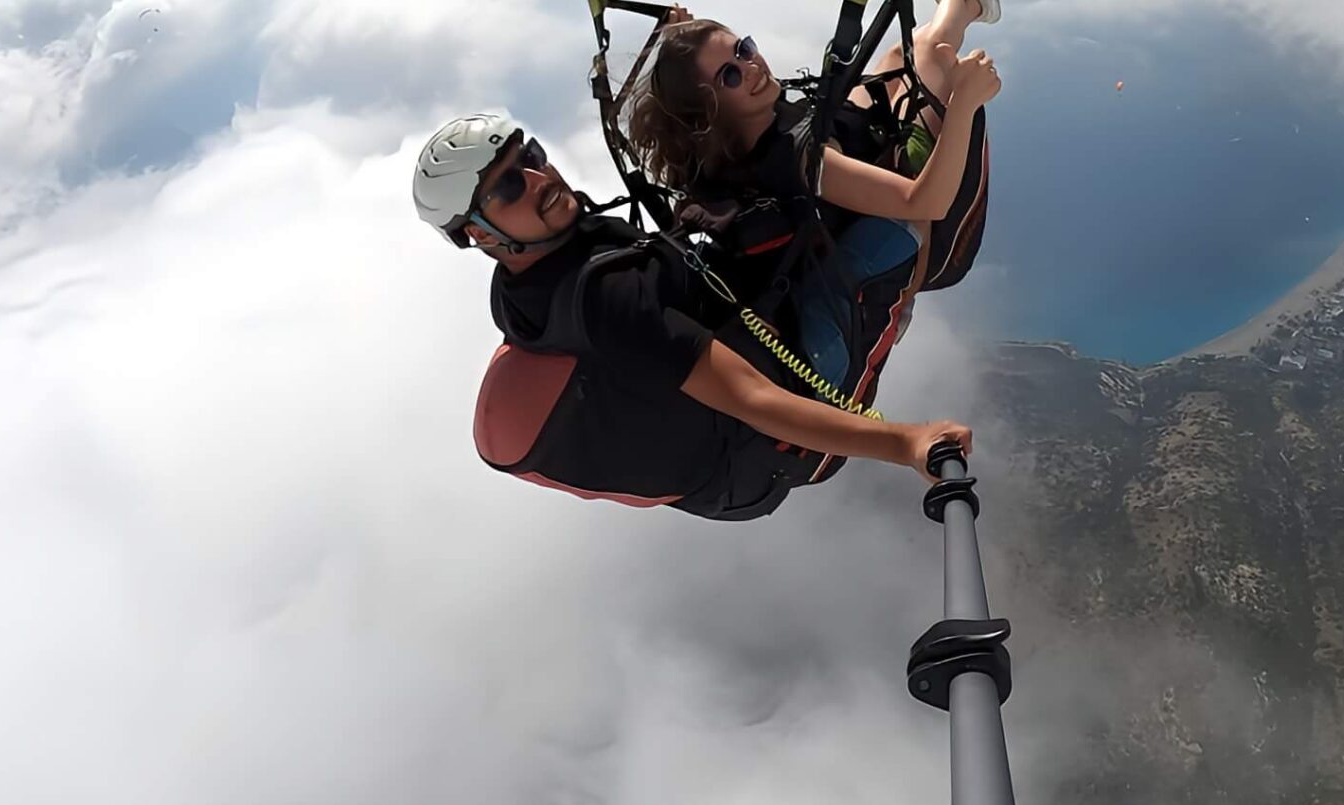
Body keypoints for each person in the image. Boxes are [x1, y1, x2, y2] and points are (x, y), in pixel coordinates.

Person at [414, 114, 972, 519]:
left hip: (740, 348)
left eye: (530, 156)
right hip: (779, 434)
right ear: (478, 235)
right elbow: (754, 398)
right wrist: (906, 443)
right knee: (896, 231)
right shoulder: (608, 301)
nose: (539, 178)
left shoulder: (530, 276)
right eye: (509, 185)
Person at [620, 0, 1003, 399]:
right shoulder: (795, 161)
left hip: (848, 138)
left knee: (897, 56)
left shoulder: (718, 149)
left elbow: (667, 118)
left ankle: (969, 1)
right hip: (920, 221)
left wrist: (679, 38)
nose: (753, 66)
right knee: (929, 53)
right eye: (731, 75)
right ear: (709, 111)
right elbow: (927, 200)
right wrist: (964, 102)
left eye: (745, 48)